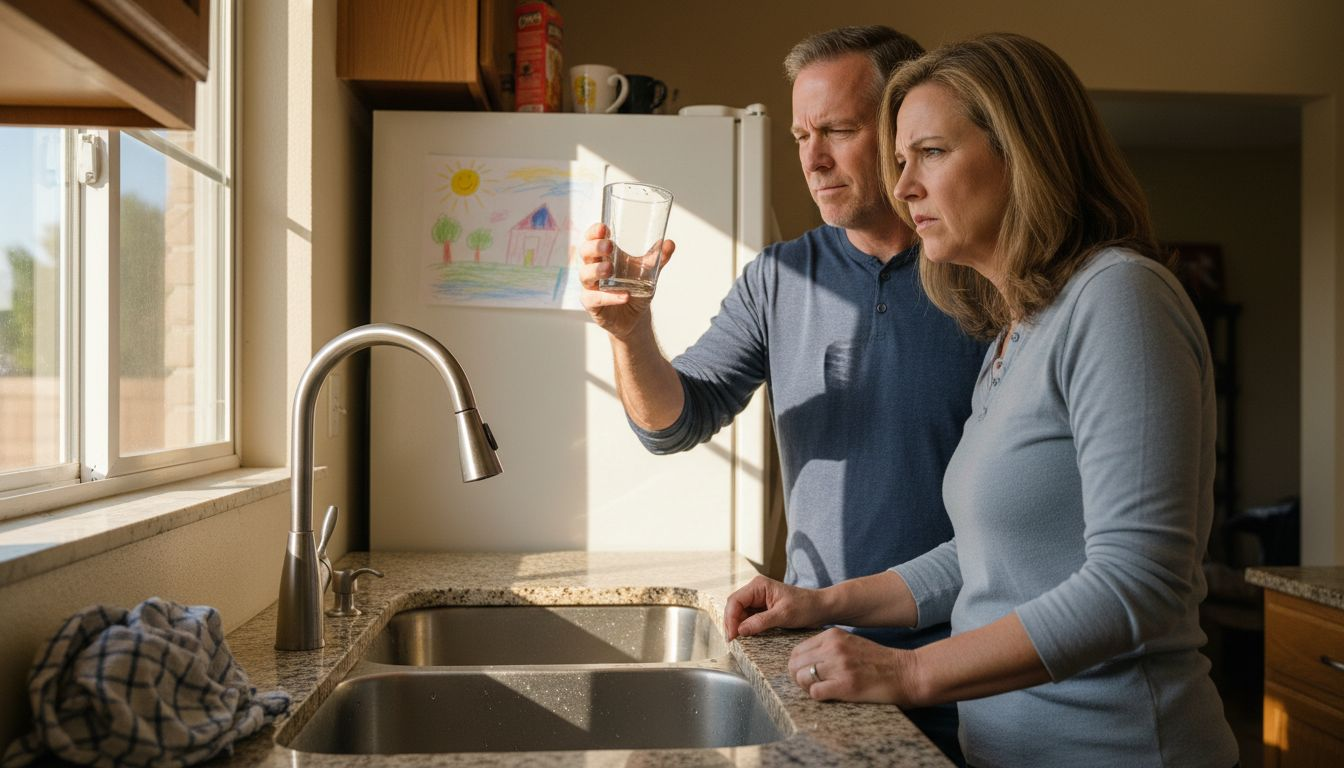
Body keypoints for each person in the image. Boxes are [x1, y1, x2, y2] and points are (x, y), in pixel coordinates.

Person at [723, 33, 1240, 767]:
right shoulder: (1016, 332)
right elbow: (983, 556)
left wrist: (909, 673)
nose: (904, 187)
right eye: (901, 161)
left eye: (930, 153)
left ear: (1021, 153)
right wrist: (823, 603)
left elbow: (1140, 583)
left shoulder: (1118, 298)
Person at [578, 26, 985, 762]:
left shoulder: (982, 273)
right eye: (802, 134)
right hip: (820, 657)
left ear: (902, 128)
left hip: (969, 666)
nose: (812, 158)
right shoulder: (780, 277)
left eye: (837, 130)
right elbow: (674, 421)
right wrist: (630, 333)